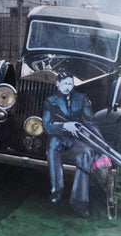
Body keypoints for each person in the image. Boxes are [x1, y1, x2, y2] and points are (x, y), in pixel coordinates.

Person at [42, 71, 101, 218]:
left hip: (78, 139)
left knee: (86, 154)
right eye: (65, 84)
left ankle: (79, 202)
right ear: (58, 84)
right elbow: (47, 126)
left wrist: (100, 143)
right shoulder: (50, 101)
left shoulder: (81, 99)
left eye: (70, 83)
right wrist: (65, 126)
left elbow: (90, 122)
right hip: (59, 136)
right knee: (52, 148)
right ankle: (57, 190)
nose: (68, 87)